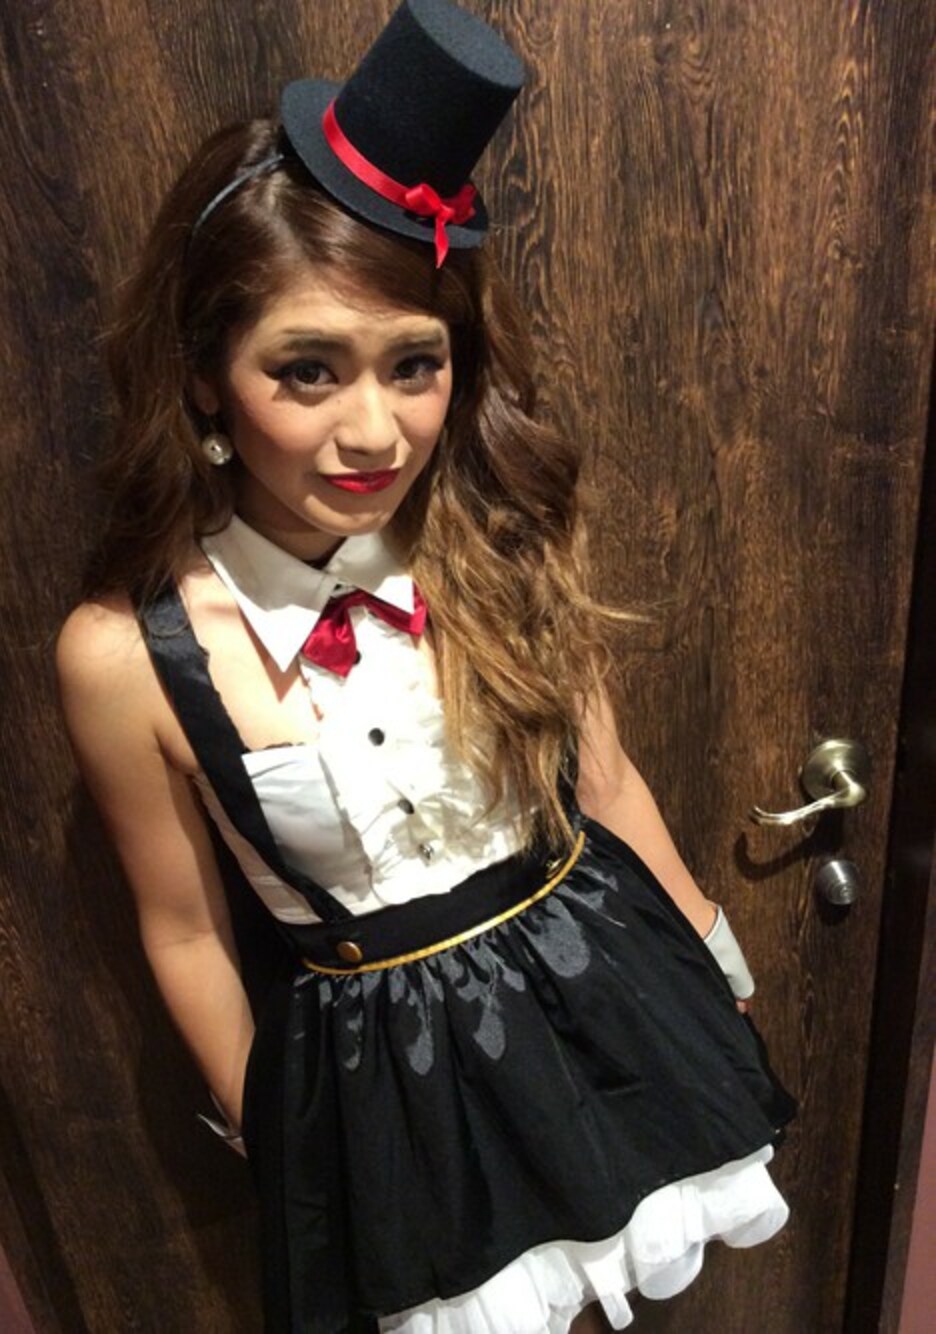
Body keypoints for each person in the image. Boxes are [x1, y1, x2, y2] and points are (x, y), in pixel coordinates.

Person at [56, 1, 795, 1330]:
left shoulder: (499, 542)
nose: (374, 432)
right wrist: (280, 1141)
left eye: (414, 365)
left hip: (606, 1010)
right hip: (385, 1092)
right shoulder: (127, 655)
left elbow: (607, 784)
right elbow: (186, 929)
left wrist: (718, 971)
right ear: (207, 378)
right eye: (307, 371)